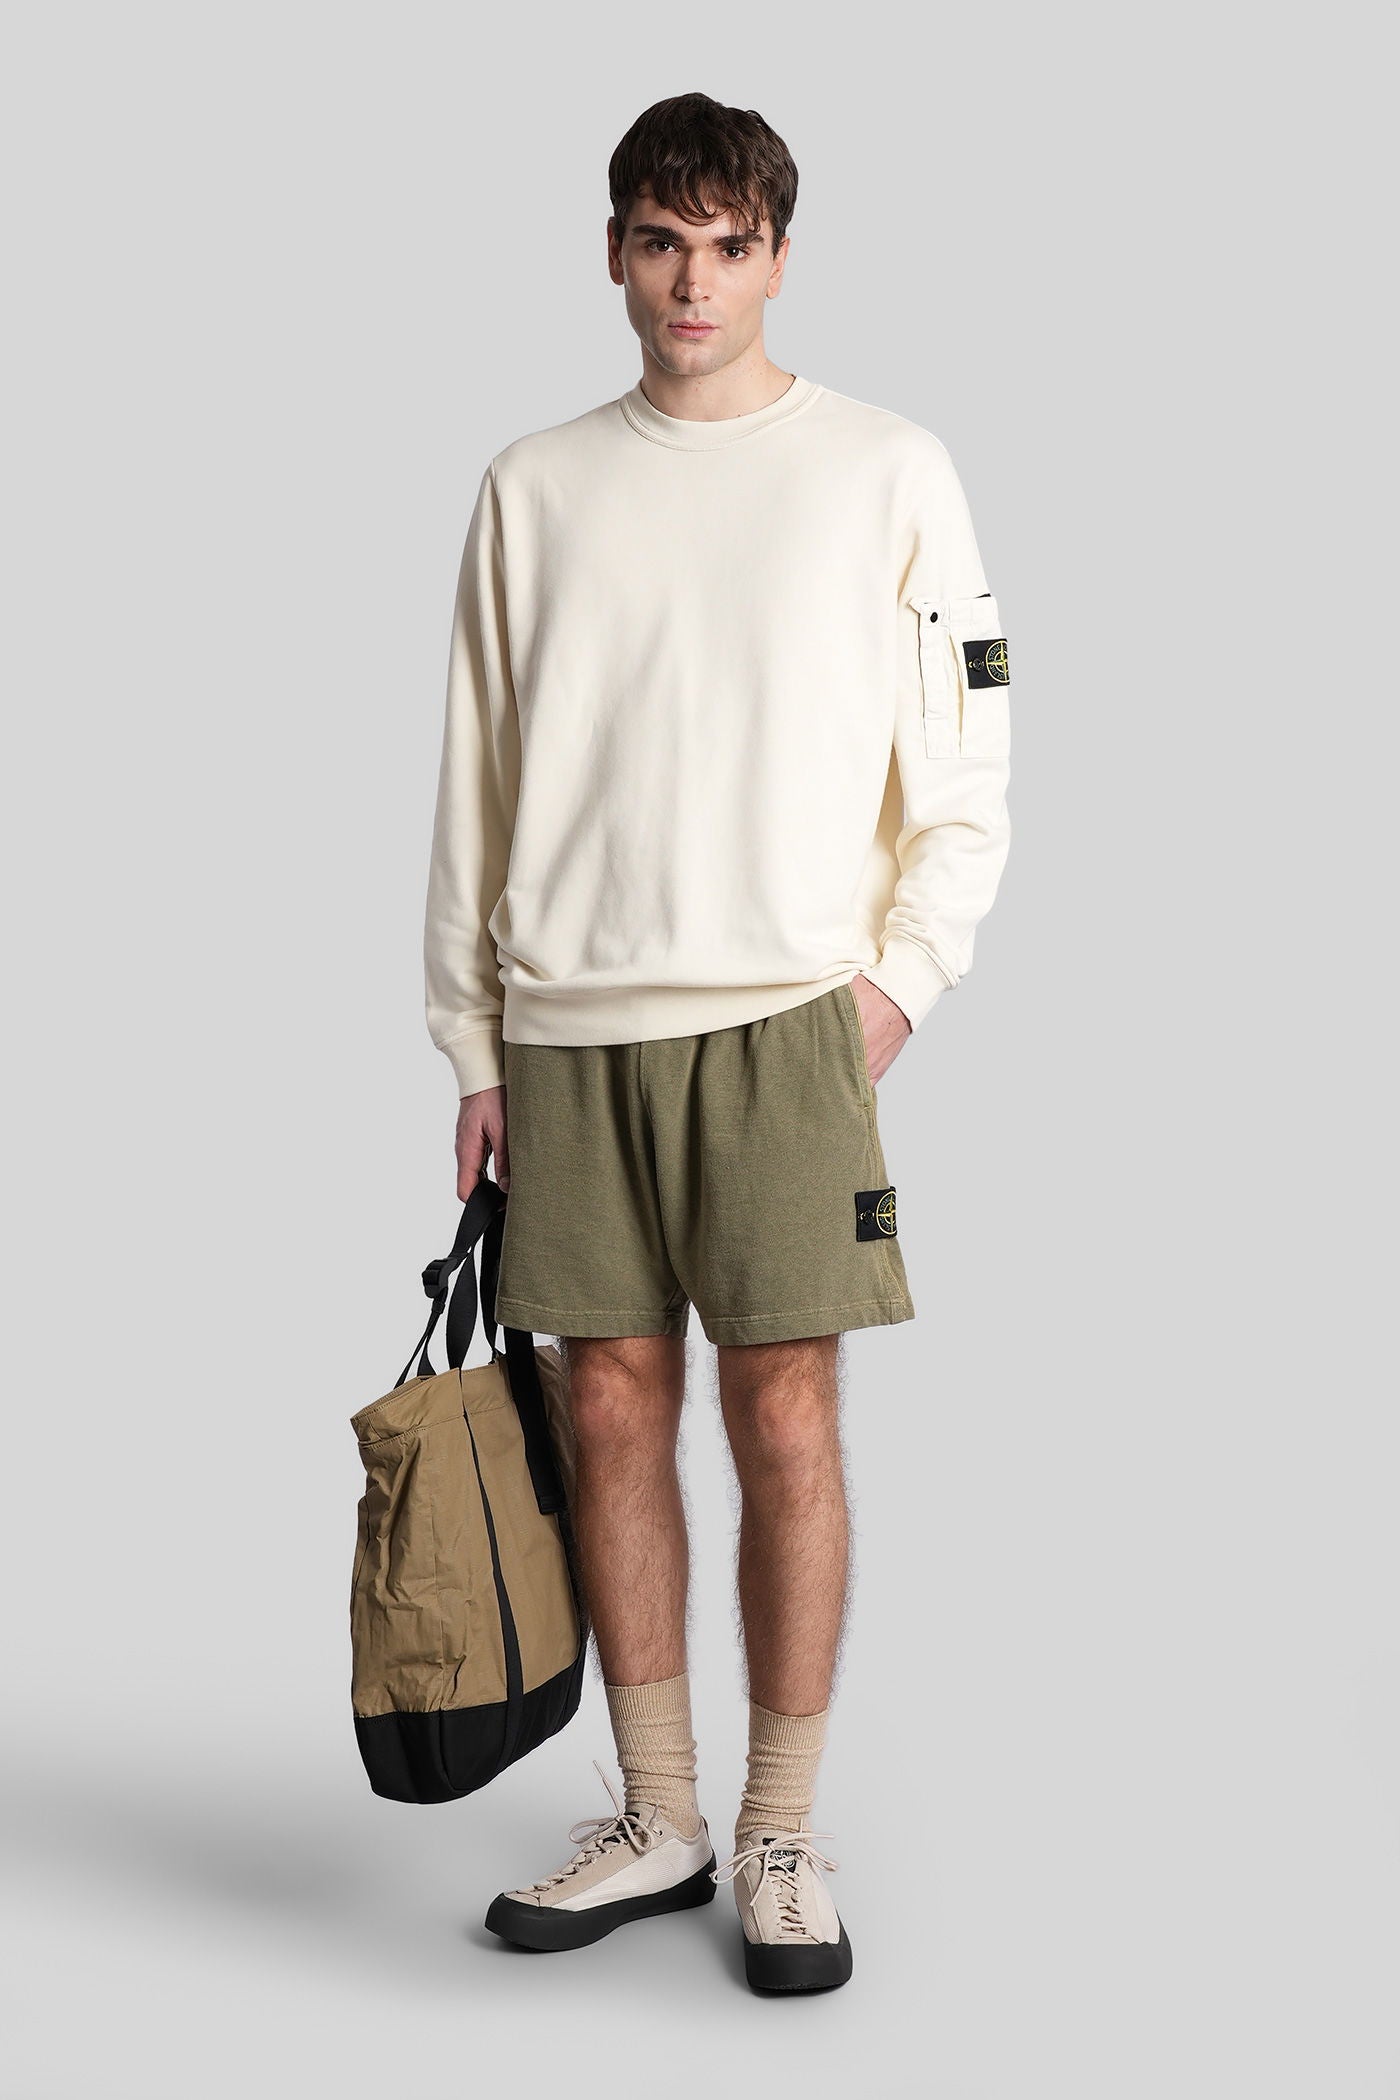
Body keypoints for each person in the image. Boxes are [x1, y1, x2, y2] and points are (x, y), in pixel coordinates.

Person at [422, 90, 1011, 1995]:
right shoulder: (532, 484)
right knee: (606, 1406)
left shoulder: (888, 469)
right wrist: (473, 1043)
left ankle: (779, 1832)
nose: (694, 281)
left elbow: (969, 765)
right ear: (613, 253)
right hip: (570, 1025)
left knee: (784, 1414)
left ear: (778, 258)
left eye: (729, 245)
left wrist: (898, 985)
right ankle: (660, 1813)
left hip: (783, 1023)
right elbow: (478, 781)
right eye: (661, 242)